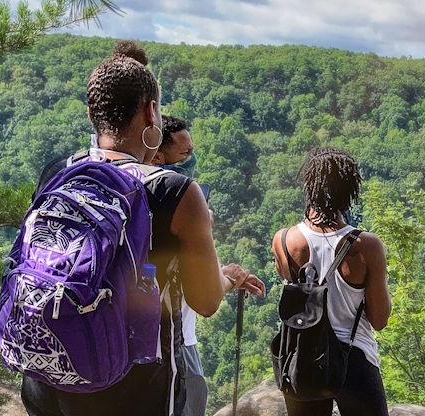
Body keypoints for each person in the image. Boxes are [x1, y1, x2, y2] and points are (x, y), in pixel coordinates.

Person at [22, 40, 265, 416]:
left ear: (92, 113)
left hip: (50, 373)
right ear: (151, 112)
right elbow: (205, 301)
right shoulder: (176, 192)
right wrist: (228, 277)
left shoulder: (59, 171)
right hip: (132, 387)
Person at [271, 147, 392, 416]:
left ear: (308, 186)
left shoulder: (283, 241)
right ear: (350, 190)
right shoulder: (366, 246)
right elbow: (380, 319)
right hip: (354, 357)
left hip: (301, 357)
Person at [149, 114, 209, 416]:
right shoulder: (181, 200)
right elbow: (206, 300)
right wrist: (226, 279)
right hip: (175, 344)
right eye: (185, 153)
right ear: (158, 156)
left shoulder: (128, 194)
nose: (191, 158)